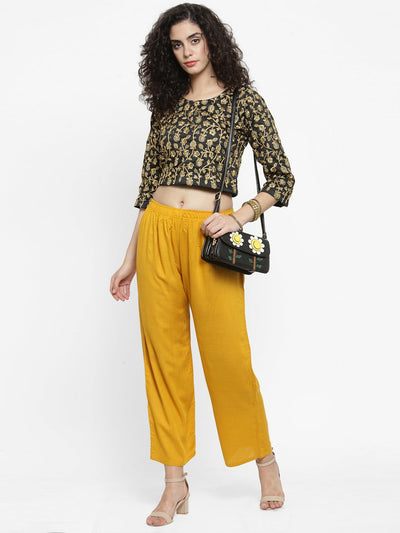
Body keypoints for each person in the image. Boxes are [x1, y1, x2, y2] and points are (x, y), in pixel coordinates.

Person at [110, 3, 295, 527]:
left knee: (228, 356)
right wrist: (129, 259)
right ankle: (175, 483)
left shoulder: (243, 100)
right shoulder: (166, 104)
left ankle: (265, 462)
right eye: (176, 44)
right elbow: (147, 188)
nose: (187, 52)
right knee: (164, 360)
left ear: (212, 40)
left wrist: (238, 216)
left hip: (210, 237)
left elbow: (282, 177)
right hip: (157, 232)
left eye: (194, 40)